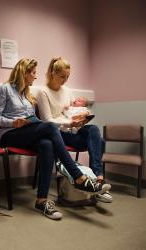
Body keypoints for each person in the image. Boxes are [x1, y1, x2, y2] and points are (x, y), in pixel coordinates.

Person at [0, 58, 110, 220]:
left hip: (26, 132)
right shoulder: (4, 90)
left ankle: (41, 200)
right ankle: (78, 176)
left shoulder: (26, 95)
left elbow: (32, 120)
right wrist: (13, 122)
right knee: (51, 127)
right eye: (32, 73)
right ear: (23, 72)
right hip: (9, 135)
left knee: (47, 145)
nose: (35, 76)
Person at [37, 57, 113, 203]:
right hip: (57, 134)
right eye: (62, 76)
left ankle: (98, 179)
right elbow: (47, 120)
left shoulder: (67, 90)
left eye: (67, 77)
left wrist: (82, 115)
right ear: (52, 73)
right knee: (100, 141)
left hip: (72, 132)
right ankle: (94, 184)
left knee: (94, 130)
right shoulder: (43, 92)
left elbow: (72, 110)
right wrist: (70, 123)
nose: (65, 80)